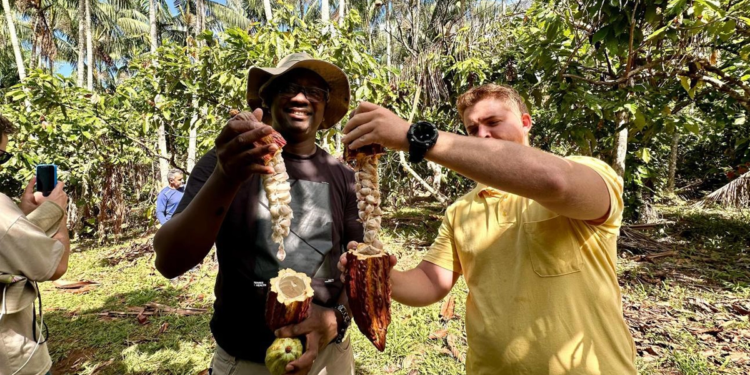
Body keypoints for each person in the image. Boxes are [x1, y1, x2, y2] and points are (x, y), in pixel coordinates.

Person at [339, 84, 637, 374]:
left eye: (494, 122)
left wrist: (415, 137)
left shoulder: (585, 171)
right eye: (472, 130)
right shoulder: (461, 211)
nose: (483, 135)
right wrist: (377, 274)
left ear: (525, 122)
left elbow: (555, 181)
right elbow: (431, 282)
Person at [154, 53, 362, 375]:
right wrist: (225, 176)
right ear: (266, 98)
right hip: (247, 361)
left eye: (314, 92)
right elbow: (169, 262)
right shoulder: (226, 161)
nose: (299, 97)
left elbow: (358, 266)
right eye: (287, 87)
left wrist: (337, 318)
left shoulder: (343, 177)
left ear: (325, 108)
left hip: (330, 357)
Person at [0, 114, 71, 375]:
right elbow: (56, 266)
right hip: (14, 361)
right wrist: (57, 211)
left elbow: (8, 244)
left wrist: (23, 214)